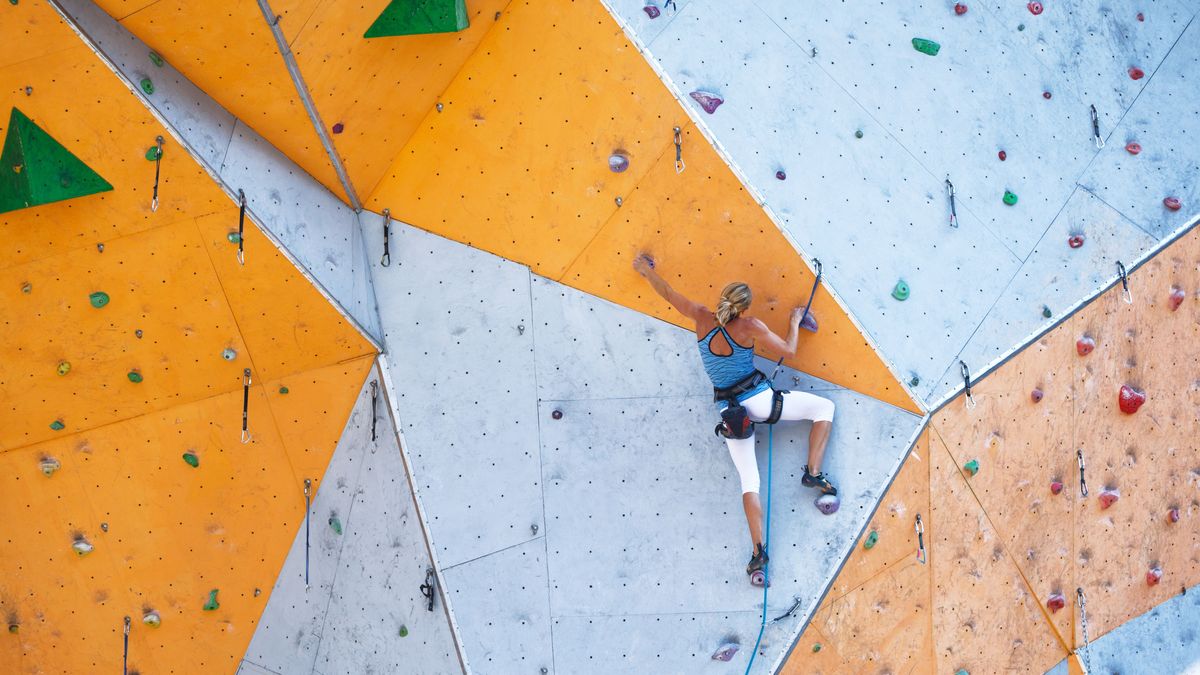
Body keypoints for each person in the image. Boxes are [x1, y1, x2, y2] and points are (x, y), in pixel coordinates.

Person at [632, 254, 836, 580]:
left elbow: (668, 293)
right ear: (745, 307)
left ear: (722, 299)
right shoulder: (750, 326)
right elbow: (789, 349)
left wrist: (645, 271)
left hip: (731, 413)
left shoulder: (700, 317)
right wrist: (795, 322)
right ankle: (813, 473)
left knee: (749, 481)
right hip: (761, 400)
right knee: (824, 409)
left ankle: (758, 554)